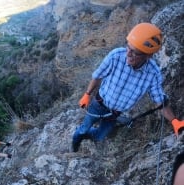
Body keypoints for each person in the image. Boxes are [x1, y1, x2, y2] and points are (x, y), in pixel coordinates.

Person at [72, 22, 184, 152]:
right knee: (83, 129)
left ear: (148, 55)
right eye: (128, 48)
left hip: (115, 114)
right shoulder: (116, 56)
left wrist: (174, 121)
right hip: (99, 104)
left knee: (100, 137)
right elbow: (98, 75)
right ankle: (76, 142)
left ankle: (90, 134)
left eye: (134, 52)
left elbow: (159, 101)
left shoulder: (153, 73)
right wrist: (87, 94)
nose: (128, 54)